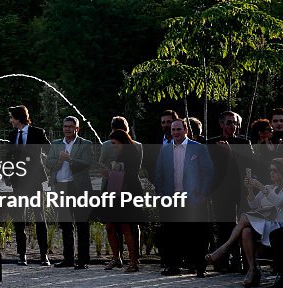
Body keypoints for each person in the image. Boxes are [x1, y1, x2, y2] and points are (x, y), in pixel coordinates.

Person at [205, 158, 283, 287]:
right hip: (263, 224)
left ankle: (226, 247)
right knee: (246, 231)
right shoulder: (269, 187)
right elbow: (253, 205)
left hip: (277, 225)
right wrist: (251, 190)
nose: (271, 173)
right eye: (270, 170)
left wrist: (262, 188)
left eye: (275, 171)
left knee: (244, 217)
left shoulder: (276, 189)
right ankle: (252, 270)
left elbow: (279, 202)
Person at [153, 119, 214, 276]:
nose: (175, 133)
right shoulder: (165, 150)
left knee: (196, 234)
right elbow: (158, 174)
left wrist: (203, 194)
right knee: (172, 233)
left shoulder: (198, 148)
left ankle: (199, 266)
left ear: (185, 130)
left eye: (178, 129)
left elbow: (208, 172)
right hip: (172, 197)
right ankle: (173, 265)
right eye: (173, 130)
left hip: (193, 198)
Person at [204, 110, 251, 272]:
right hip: (220, 191)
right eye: (229, 122)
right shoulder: (211, 143)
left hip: (241, 190)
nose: (233, 126)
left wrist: (230, 152)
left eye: (236, 123)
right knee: (224, 226)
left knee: (244, 225)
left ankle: (245, 263)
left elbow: (248, 166)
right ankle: (223, 263)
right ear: (221, 124)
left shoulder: (245, 143)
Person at [44, 116, 94, 269]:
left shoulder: (85, 144)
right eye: (65, 126)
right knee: (65, 224)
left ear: (77, 128)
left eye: (70, 126)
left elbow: (87, 163)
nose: (67, 129)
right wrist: (59, 161)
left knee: (81, 224)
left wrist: (70, 160)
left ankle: (83, 260)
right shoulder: (56, 144)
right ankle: (68, 258)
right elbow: (48, 162)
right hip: (60, 187)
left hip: (77, 188)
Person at [5, 105, 51, 266]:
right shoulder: (12, 135)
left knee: (39, 217)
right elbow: (8, 156)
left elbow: (48, 149)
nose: (10, 120)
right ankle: (22, 254)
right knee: (19, 218)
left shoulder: (37, 132)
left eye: (11, 117)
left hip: (34, 180)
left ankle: (44, 255)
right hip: (18, 181)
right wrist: (6, 174)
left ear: (18, 119)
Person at [100, 129, 144, 272]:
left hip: (127, 194)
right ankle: (116, 257)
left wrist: (110, 174)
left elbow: (129, 176)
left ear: (122, 142)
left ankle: (133, 262)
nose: (113, 146)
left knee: (126, 228)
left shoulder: (132, 154)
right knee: (109, 227)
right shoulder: (119, 155)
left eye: (114, 143)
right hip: (114, 194)